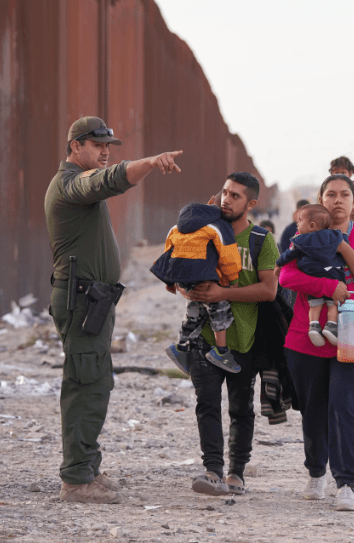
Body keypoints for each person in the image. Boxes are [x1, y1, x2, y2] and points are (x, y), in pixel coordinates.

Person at [45, 116, 182, 504]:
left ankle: (87, 467)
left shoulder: (82, 188)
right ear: (75, 147)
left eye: (108, 146)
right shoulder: (72, 184)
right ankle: (75, 480)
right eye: (96, 144)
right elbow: (108, 181)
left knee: (97, 382)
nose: (105, 151)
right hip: (81, 300)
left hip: (94, 299)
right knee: (84, 383)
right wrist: (151, 163)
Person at [169, 172, 279, 496]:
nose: (226, 200)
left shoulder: (260, 240)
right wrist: (185, 288)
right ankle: (212, 470)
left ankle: (236, 473)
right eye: (224, 193)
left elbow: (269, 290)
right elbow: (179, 266)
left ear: (251, 203)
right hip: (204, 335)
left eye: (235, 196)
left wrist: (222, 294)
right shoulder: (204, 232)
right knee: (206, 402)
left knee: (241, 408)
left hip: (245, 338)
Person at [279, 174, 354, 512]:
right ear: (321, 201)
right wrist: (328, 288)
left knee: (343, 406)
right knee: (313, 409)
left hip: (353, 337)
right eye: (331, 194)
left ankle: (346, 483)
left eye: (345, 195)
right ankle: (315, 472)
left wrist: (341, 245)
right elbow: (287, 276)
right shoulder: (303, 236)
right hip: (306, 337)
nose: (338, 200)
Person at [150, 202, 243, 373]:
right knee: (219, 307)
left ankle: (180, 348)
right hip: (203, 275)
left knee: (194, 310)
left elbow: (168, 252)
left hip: (184, 277)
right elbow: (228, 255)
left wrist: (171, 282)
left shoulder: (177, 227)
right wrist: (232, 279)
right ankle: (221, 351)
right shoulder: (217, 226)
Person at [276, 204, 347, 346]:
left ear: (312, 225)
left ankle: (314, 326)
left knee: (315, 305)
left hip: (312, 275)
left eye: (300, 221)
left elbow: (289, 254)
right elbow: (344, 247)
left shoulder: (301, 239)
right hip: (333, 273)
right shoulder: (335, 235)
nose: (297, 224)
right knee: (333, 304)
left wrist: (279, 264)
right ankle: (331, 326)